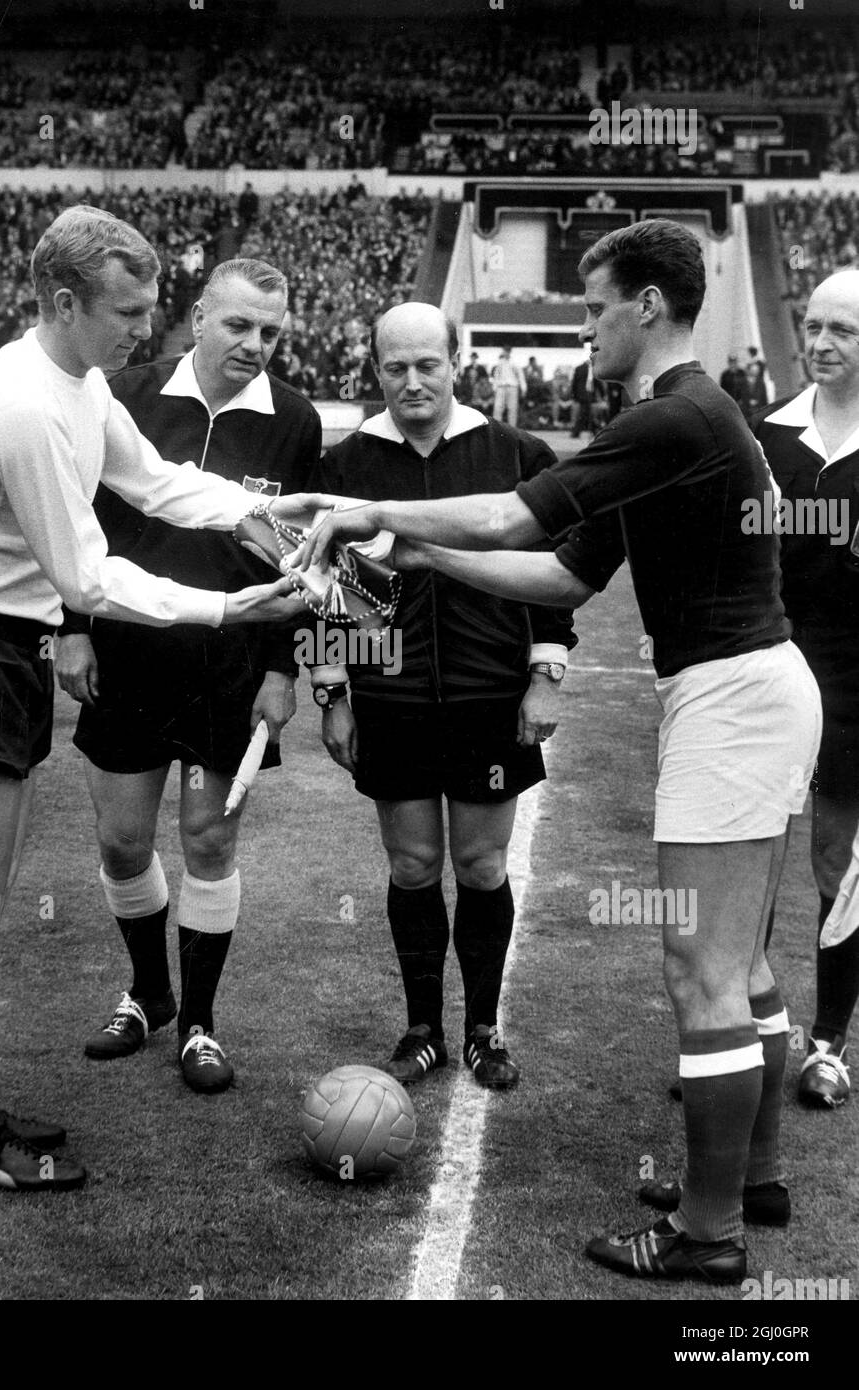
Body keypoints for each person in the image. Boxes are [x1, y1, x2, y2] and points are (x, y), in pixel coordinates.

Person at [299, 219, 822, 1284]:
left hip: (734, 698)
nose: (581, 328)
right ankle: (749, 1178)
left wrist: (368, 511)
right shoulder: (674, 419)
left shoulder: (677, 414)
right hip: (738, 694)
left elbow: (507, 516)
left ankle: (706, 1234)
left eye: (591, 308)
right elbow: (560, 575)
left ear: (645, 306)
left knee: (704, 971)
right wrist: (409, 548)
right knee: (742, 965)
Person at [0, 207, 308, 1195]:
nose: (142, 328)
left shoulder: (71, 379)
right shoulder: (29, 403)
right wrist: (232, 603)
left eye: (153, 307)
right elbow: (88, 578)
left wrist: (261, 512)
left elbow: (156, 481)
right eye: (127, 310)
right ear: (64, 302)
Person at [56, 258, 321, 1093]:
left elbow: (307, 555)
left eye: (271, 333)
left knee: (209, 839)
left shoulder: (296, 420)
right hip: (127, 651)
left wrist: (284, 669)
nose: (254, 345)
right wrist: (72, 630)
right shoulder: (123, 392)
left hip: (231, 668)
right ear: (200, 316)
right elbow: (76, 520)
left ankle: (200, 1024)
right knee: (122, 841)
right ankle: (148, 992)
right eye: (239, 325)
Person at [309, 302, 575, 1090]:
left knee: (484, 864)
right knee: (416, 861)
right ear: (376, 369)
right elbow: (326, 585)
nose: (413, 381)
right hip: (389, 698)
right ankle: (423, 1025)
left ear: (457, 362)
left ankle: (484, 1028)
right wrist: (333, 690)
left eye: (429, 364)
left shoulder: (516, 453)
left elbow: (554, 576)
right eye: (396, 367)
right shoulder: (347, 465)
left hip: (490, 696)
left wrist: (543, 674)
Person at [752, 267, 859, 1109]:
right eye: (815, 327)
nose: (821, 345)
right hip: (773, 665)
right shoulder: (768, 436)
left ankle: (827, 1045)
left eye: (843, 332)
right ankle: (742, 1034)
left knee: (837, 862)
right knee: (751, 858)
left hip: (857, 683)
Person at [491, 348, 521, 426]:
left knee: (512, 408)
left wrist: (524, 387)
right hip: (501, 387)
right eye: (505, 351)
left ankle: (512, 428)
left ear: (510, 352)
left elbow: (520, 375)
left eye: (507, 352)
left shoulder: (515, 362)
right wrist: (494, 387)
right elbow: (496, 375)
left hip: (512, 387)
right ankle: (497, 427)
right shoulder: (500, 363)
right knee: (498, 408)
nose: (506, 353)